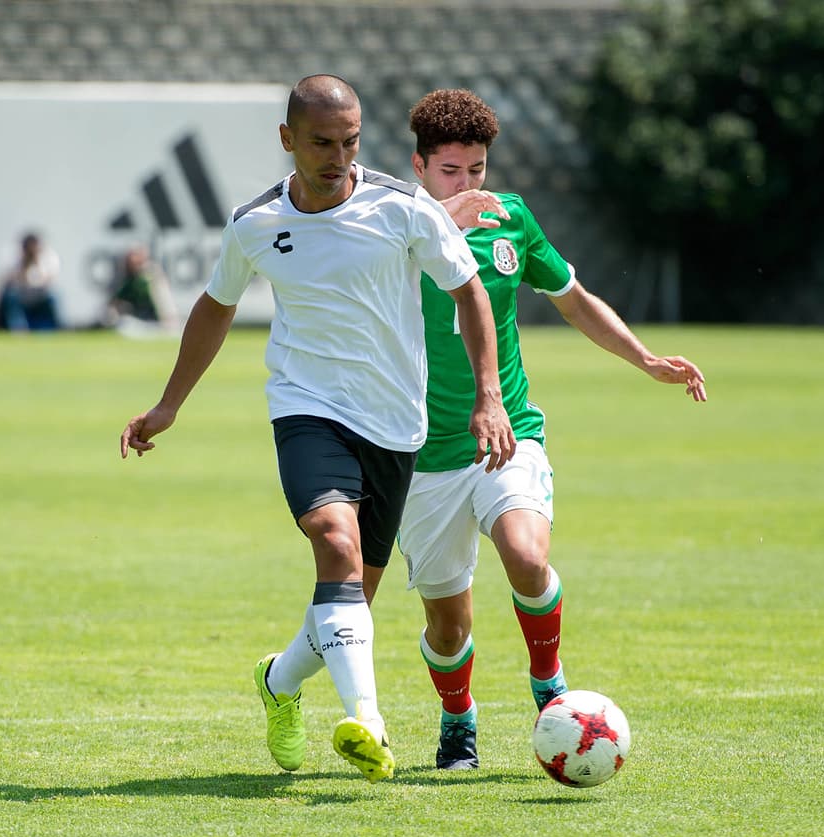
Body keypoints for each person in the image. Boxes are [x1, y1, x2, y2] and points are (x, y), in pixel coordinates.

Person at [278, 88, 707, 771]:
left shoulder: (511, 222)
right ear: (418, 168)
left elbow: (573, 299)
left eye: (477, 169)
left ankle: (548, 684)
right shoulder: (385, 222)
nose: (470, 184)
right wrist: (440, 218)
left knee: (527, 555)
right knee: (449, 625)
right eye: (451, 171)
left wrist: (645, 357)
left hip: (504, 432)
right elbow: (367, 263)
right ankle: (459, 719)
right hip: (419, 456)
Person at [120, 75, 514, 782]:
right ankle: (370, 721)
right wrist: (169, 403)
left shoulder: (402, 208)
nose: (339, 156)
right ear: (288, 140)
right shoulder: (257, 223)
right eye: (323, 143)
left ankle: (278, 680)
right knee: (334, 543)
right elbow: (214, 307)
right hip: (306, 409)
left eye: (351, 141)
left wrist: (489, 394)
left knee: (348, 604)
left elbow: (469, 291)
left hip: (396, 425)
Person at [105, 244, 179, 332]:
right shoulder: (128, 278)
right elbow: (116, 302)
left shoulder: (151, 276)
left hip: (154, 322)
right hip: (137, 321)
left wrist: (169, 320)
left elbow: (165, 303)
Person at [0, 231, 62, 331]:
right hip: (21, 295)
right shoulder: (15, 256)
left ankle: (56, 328)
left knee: (53, 297)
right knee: (10, 297)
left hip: (41, 296)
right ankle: (19, 330)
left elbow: (50, 279)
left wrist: (37, 264)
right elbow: (8, 279)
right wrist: (24, 265)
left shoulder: (48, 256)